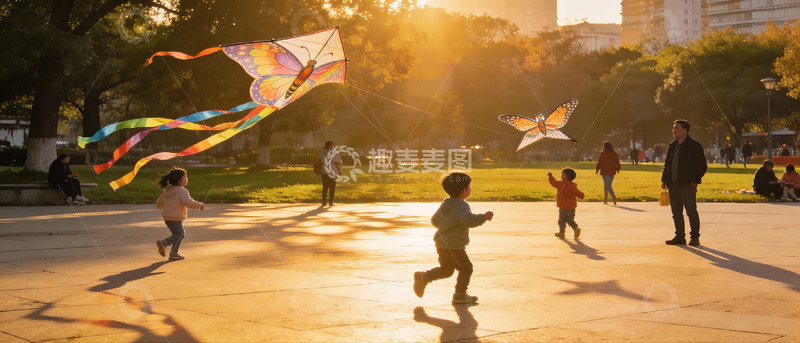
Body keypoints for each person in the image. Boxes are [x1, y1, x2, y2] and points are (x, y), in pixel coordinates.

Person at [413, 172, 493, 304]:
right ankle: (460, 294)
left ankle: (425, 276)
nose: (470, 188)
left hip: (442, 244)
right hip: (454, 246)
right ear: (464, 190)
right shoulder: (462, 205)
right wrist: (483, 217)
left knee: (446, 270)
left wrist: (447, 224)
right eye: (469, 186)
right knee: (466, 268)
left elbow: (434, 221)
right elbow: (467, 220)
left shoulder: (446, 203)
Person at [661, 120, 707, 246]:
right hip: (673, 184)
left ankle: (695, 237)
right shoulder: (672, 145)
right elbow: (667, 164)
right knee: (676, 212)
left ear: (685, 130)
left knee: (691, 211)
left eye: (677, 128)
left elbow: (702, 166)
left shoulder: (694, 146)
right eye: (673, 127)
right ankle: (680, 236)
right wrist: (664, 180)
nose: (674, 130)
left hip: (687, 184)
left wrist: (694, 180)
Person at [155, 167, 204, 261]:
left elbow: (158, 203)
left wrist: (166, 209)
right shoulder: (182, 191)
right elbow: (188, 202)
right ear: (179, 180)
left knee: (177, 234)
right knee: (181, 234)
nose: (187, 179)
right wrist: (199, 205)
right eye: (185, 177)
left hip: (167, 217)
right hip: (175, 217)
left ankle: (173, 253)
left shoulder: (167, 191)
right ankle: (164, 243)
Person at [548, 168, 586, 239]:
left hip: (563, 206)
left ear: (566, 176)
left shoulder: (560, 184)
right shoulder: (573, 186)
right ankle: (575, 228)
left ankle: (562, 232)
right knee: (570, 220)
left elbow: (554, 183)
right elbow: (579, 193)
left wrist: (550, 177)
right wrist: (582, 195)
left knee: (561, 220)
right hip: (572, 207)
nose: (561, 176)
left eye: (562, 174)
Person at [316, 141, 343, 207]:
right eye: (333, 145)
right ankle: (331, 202)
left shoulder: (322, 153)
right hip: (332, 172)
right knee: (332, 187)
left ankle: (324, 202)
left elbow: (319, 161)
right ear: (330, 146)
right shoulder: (335, 153)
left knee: (325, 187)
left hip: (324, 172)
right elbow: (339, 162)